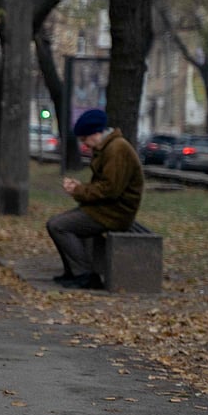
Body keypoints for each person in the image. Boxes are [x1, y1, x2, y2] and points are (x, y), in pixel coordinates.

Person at [46, 108, 143, 290]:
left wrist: (78, 190)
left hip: (115, 212)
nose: (85, 144)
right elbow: (104, 185)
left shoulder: (117, 149)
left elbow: (109, 189)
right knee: (59, 223)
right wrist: (80, 188)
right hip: (106, 209)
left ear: (95, 133)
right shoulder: (108, 147)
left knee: (58, 226)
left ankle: (85, 275)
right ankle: (74, 272)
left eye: (84, 139)